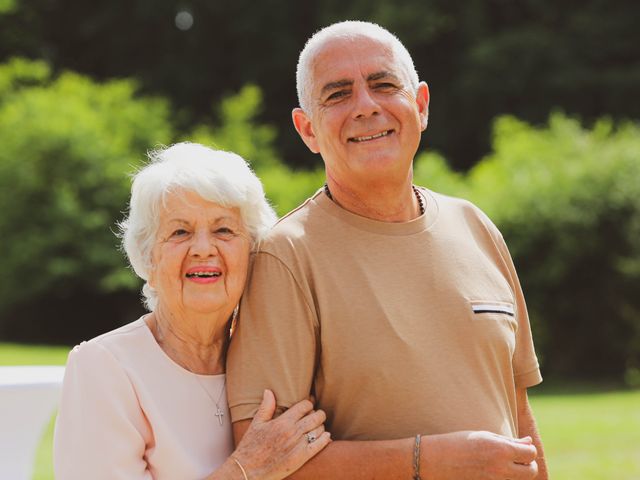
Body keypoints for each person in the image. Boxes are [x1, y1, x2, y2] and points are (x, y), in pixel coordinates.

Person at [227, 21, 549, 479]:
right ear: (308, 130)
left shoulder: (477, 228)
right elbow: (265, 461)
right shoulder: (285, 257)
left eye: (383, 85)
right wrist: (429, 461)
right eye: (337, 95)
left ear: (420, 105)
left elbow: (519, 419)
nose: (365, 107)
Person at [53, 143, 331, 480]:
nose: (202, 248)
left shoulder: (271, 358)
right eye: (180, 231)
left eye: (224, 230)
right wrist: (248, 469)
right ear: (148, 257)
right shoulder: (104, 367)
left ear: (253, 253)